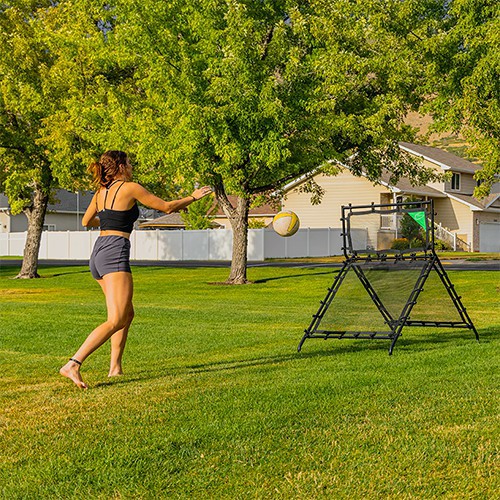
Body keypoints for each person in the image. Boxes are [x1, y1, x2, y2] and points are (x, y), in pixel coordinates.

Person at [59, 150, 212, 389]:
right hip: (115, 252)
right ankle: (74, 363)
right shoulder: (130, 187)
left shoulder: (101, 192)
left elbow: (86, 221)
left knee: (126, 315)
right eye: (129, 163)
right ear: (120, 166)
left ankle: (115, 368)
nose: (131, 166)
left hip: (99, 252)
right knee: (116, 318)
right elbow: (167, 207)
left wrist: (112, 220)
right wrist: (192, 197)